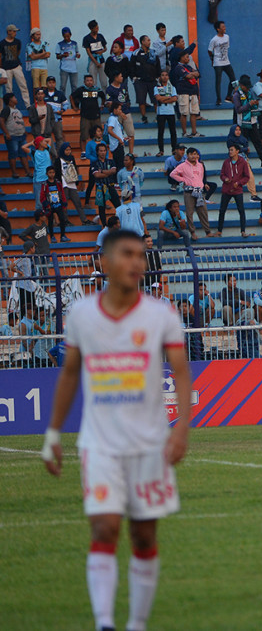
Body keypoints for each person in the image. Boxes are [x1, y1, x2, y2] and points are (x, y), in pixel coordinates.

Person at [41, 230, 192, 631]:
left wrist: (182, 431)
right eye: (127, 254)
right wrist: (53, 434)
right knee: (106, 526)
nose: (136, 262)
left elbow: (180, 373)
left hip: (150, 445)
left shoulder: (161, 314)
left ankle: (136, 624)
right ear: (105, 262)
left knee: (143, 536)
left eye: (141, 255)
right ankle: (105, 623)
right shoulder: (81, 315)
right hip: (100, 444)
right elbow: (70, 374)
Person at [207, 21, 234, 104]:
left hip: (226, 61)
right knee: (218, 81)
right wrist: (212, 59)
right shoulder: (214, 40)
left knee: (233, 79)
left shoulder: (227, 37)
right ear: (218, 29)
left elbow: (227, 47)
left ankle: (228, 96)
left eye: (224, 26)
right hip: (218, 62)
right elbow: (209, 50)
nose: (224, 28)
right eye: (222, 27)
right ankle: (218, 99)